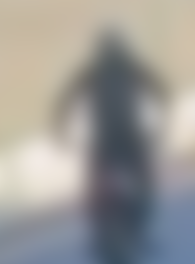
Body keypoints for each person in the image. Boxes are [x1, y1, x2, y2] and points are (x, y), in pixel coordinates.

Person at [57, 29, 168, 239]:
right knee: (144, 181)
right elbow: (160, 94)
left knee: (97, 183)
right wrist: (160, 125)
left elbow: (66, 102)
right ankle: (136, 225)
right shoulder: (131, 69)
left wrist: (62, 130)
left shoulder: (93, 72)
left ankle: (107, 226)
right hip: (128, 135)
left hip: (106, 138)